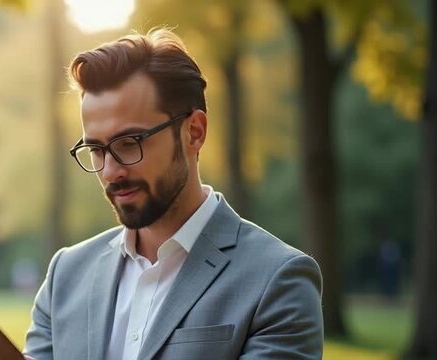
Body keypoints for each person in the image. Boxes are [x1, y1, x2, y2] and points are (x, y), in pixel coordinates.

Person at [23, 29, 323, 360]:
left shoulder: (278, 280)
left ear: (194, 132)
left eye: (129, 143)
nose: (110, 171)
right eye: (95, 149)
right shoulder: (66, 275)